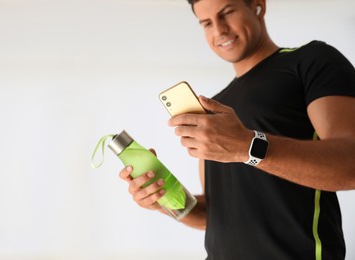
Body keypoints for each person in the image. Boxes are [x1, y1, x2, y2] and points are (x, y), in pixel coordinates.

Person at [119, 0, 355, 259]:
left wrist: (248, 146)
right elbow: (215, 213)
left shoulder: (311, 60)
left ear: (258, 5)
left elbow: (350, 163)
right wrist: (164, 199)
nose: (219, 30)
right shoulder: (216, 109)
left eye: (227, 12)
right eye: (206, 23)